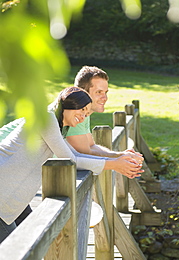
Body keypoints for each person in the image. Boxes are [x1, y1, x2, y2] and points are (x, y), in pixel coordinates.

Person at [0, 86, 143, 243]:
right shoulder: (47, 119)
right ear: (69, 103)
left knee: (29, 246)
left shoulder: (55, 123)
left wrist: (118, 157)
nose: (83, 117)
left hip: (11, 198)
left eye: (86, 114)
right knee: (14, 256)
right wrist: (114, 164)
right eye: (82, 110)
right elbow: (71, 160)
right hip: (4, 193)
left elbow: (75, 155)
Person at [66, 66, 144, 170]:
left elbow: (91, 146)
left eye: (106, 92)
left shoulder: (84, 114)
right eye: (99, 92)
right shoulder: (74, 114)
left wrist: (120, 155)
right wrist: (118, 160)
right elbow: (85, 152)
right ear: (83, 92)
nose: (105, 98)